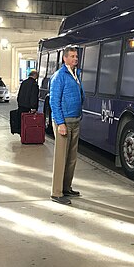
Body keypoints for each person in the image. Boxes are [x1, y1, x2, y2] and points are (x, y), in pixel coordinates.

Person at [48, 47, 84, 205]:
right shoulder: (59, 76)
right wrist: (60, 123)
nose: (76, 58)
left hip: (75, 120)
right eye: (72, 56)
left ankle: (66, 187)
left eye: (76, 56)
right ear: (65, 58)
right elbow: (54, 102)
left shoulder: (75, 74)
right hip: (64, 122)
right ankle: (57, 192)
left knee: (71, 158)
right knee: (61, 157)